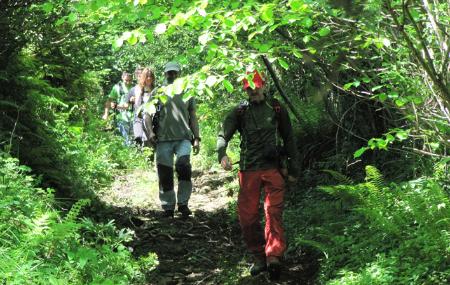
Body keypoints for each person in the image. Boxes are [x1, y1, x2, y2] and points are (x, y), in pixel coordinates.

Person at [217, 70, 298, 280]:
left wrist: (293, 168)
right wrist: (221, 154)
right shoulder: (239, 112)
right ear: (245, 90)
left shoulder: (277, 107)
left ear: (264, 85)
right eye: (249, 89)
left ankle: (273, 256)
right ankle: (258, 257)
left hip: (273, 168)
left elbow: (289, 138)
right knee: (247, 217)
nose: (254, 91)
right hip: (248, 170)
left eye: (256, 87)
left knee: (273, 211)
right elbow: (222, 134)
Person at [154, 61, 200, 218]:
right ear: (165, 73)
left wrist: (197, 137)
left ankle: (183, 204)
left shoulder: (187, 90)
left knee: (184, 166)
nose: (171, 75)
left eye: (174, 72)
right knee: (165, 173)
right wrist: (149, 134)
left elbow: (192, 114)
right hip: (163, 139)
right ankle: (168, 206)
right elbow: (147, 114)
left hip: (184, 137)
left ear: (179, 73)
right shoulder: (158, 91)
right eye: (169, 72)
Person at [125, 67, 156, 147]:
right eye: (147, 76)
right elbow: (133, 106)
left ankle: (149, 157)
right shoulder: (136, 89)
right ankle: (139, 155)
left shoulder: (156, 90)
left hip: (153, 119)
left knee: (149, 143)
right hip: (139, 118)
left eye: (151, 76)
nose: (149, 78)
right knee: (139, 138)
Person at [102, 72, 133, 145]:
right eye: (126, 80)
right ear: (122, 78)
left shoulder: (134, 87)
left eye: (130, 80)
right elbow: (109, 101)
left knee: (133, 139)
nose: (128, 82)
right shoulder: (117, 88)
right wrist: (106, 114)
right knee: (126, 140)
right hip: (121, 117)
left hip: (133, 117)